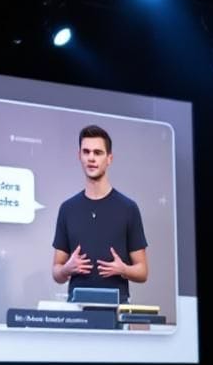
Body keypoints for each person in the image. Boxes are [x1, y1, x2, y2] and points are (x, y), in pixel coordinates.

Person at [52, 125, 148, 304]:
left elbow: (143, 271)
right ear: (79, 156)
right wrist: (67, 269)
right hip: (77, 309)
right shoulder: (67, 208)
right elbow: (56, 272)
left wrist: (123, 269)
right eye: (86, 152)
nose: (91, 158)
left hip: (116, 309)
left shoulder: (128, 208)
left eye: (97, 152)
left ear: (109, 158)